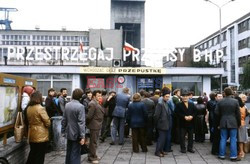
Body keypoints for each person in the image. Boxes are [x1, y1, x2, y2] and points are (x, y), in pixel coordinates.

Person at [215, 87, 241, 161]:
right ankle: (233, 156)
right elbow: (238, 114)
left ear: (224, 93)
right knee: (233, 139)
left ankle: (221, 155)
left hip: (223, 121)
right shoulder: (235, 101)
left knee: (223, 138)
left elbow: (216, 113)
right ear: (232, 93)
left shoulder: (220, 101)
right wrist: (238, 124)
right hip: (233, 122)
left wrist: (219, 121)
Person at [61, 89, 85, 164]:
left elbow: (64, 119)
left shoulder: (67, 105)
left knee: (69, 151)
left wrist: (63, 130)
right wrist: (82, 136)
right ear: (81, 96)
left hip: (68, 131)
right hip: (76, 132)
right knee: (75, 153)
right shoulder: (80, 106)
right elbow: (81, 122)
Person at [26, 91, 51, 164]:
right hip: (41, 134)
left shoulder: (29, 108)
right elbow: (47, 122)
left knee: (33, 152)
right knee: (40, 155)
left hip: (32, 133)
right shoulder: (40, 108)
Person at [86, 90, 105, 164]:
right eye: (98, 96)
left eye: (100, 96)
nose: (100, 97)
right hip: (94, 125)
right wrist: (88, 124)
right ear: (94, 96)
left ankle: (94, 155)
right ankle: (91, 157)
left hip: (97, 125)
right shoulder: (92, 103)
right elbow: (89, 116)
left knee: (94, 142)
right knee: (93, 142)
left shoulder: (96, 103)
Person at [154, 88, 171, 157]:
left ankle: (161, 150)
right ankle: (157, 152)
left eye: (168, 96)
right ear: (163, 96)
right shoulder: (160, 104)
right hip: (161, 124)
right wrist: (156, 124)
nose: (168, 98)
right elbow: (156, 115)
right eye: (166, 96)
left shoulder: (166, 103)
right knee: (161, 138)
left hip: (165, 124)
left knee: (163, 138)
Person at [236, 94, 248, 160]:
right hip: (243, 123)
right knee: (242, 138)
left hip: (240, 124)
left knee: (240, 139)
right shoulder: (244, 106)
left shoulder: (240, 107)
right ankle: (242, 151)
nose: (245, 98)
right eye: (243, 97)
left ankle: (241, 152)